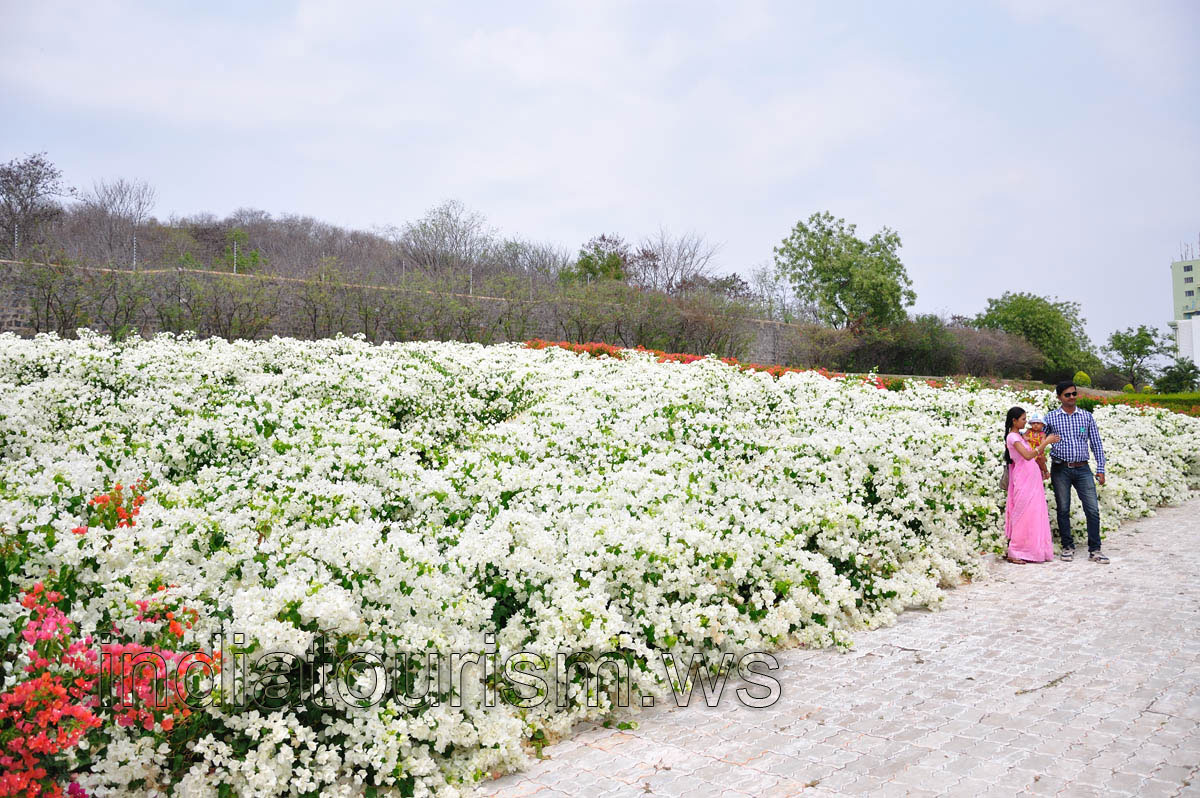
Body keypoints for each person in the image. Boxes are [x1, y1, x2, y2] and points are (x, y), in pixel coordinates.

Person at [1042, 381, 1110, 564]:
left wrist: (1101, 469)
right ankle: (1067, 546)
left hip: (1083, 468)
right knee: (1063, 508)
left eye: (1074, 394)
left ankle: (1095, 549)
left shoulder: (1086, 417)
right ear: (1059, 397)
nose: (1072, 397)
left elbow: (1096, 444)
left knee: (1092, 509)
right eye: (1067, 395)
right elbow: (1039, 441)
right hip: (1060, 468)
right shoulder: (1050, 418)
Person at [1003, 406, 1058, 564]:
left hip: (1032, 478)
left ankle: (1032, 550)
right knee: (1022, 514)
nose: (1026, 422)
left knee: (1034, 513)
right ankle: (1015, 551)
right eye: (1023, 419)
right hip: (1023, 478)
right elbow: (1027, 456)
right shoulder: (1012, 437)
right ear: (1014, 421)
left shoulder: (1020, 437)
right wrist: (1045, 443)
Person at [1024, 412, 1051, 480]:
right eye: (1033, 423)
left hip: (1038, 451)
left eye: (1038, 423)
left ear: (1042, 425)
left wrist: (1042, 444)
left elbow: (1043, 443)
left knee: (1041, 460)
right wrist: (1026, 438)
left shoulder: (1042, 434)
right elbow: (1024, 436)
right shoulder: (1029, 431)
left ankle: (1045, 471)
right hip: (1029, 451)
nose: (1035, 425)